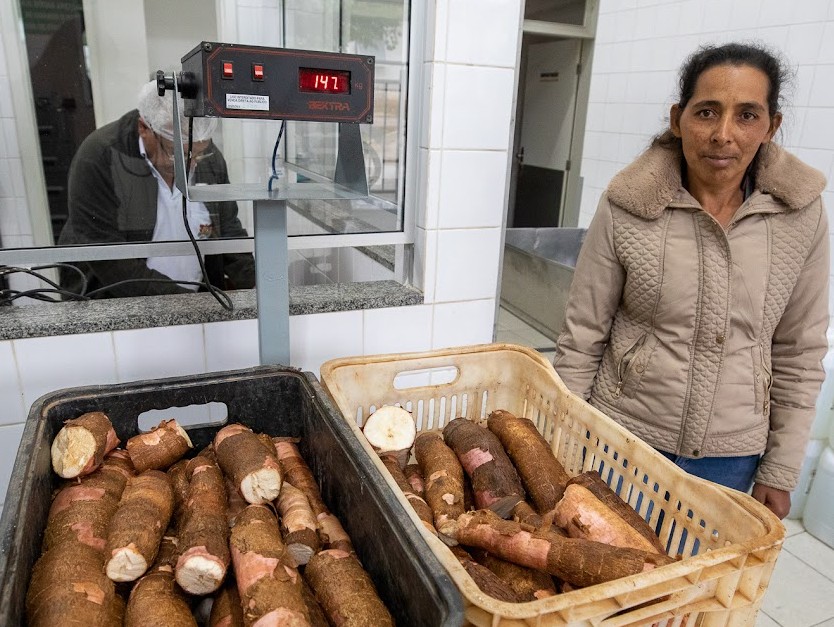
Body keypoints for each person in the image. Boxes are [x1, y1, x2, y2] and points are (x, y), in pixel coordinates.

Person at [553, 42, 829, 520]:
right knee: (611, 581)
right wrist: (563, 438)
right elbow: (582, 337)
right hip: (622, 440)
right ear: (679, 118)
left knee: (694, 585)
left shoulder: (801, 215)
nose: (723, 134)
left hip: (732, 455)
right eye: (707, 112)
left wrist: (779, 469)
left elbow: (800, 351)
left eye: (747, 115)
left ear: (771, 127)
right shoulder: (629, 204)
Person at [58, 80, 255, 298]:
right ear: (144, 128)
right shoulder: (100, 157)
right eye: (176, 153)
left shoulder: (207, 156)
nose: (191, 164)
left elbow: (228, 228)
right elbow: (106, 255)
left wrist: (259, 285)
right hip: (118, 301)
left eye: (198, 153)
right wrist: (182, 302)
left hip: (192, 299)